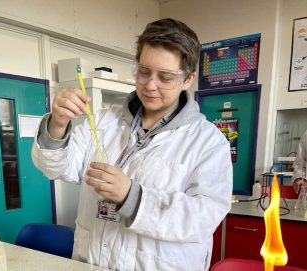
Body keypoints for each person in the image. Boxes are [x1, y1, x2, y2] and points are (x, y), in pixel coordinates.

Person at [32, 18, 232, 271]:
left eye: (165, 77)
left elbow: (203, 217)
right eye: (144, 71)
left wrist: (132, 197)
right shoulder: (104, 121)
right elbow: (57, 168)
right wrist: (58, 124)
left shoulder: (208, 142)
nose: (150, 85)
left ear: (188, 79)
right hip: (92, 261)